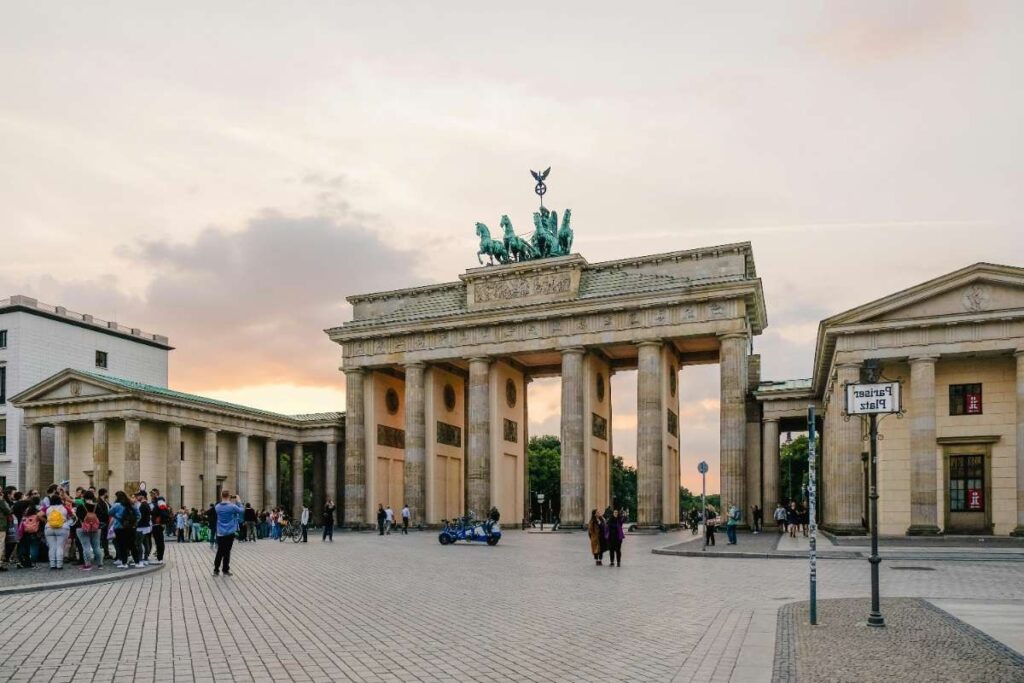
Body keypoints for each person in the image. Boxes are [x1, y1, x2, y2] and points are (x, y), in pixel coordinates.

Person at [213, 490, 244, 576]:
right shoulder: (232, 506)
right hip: (230, 532)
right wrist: (239, 501)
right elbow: (242, 511)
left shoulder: (217, 507)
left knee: (219, 551)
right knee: (227, 551)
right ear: (229, 496)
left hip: (220, 532)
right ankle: (225, 570)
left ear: (221, 496)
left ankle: (216, 570)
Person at [43, 492, 74, 570]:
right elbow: (73, 516)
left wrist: (46, 521)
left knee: (52, 547)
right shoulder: (64, 508)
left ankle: (52, 564)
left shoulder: (48, 508)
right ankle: (59, 564)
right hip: (62, 528)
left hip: (49, 528)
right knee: (60, 546)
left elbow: (39, 515)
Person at [110, 490, 140, 568]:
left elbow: (109, 512)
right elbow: (139, 515)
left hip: (119, 528)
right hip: (131, 528)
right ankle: (137, 562)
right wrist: (134, 523)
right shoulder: (132, 504)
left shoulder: (116, 505)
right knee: (133, 545)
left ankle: (124, 563)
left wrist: (117, 516)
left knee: (122, 546)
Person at [75, 491, 103, 571]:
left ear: (84, 497)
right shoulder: (97, 506)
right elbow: (102, 516)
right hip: (95, 528)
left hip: (83, 528)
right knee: (97, 547)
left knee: (86, 547)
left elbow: (78, 516)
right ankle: (100, 564)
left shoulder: (81, 506)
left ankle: (88, 565)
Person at [148, 489, 167, 564]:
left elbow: (163, 513)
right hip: (156, 525)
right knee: (158, 541)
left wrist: (162, 522)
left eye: (152, 494)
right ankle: (159, 558)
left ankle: (160, 559)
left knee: (159, 542)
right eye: (151, 495)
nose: (151, 496)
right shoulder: (156, 502)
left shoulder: (160, 501)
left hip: (157, 525)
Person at [135, 491, 152, 566]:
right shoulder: (146, 504)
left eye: (138, 496)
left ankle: (140, 561)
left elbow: (140, 517)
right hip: (146, 526)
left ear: (142, 496)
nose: (137, 497)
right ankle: (145, 559)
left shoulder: (143, 505)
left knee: (139, 544)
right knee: (146, 543)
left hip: (141, 527)